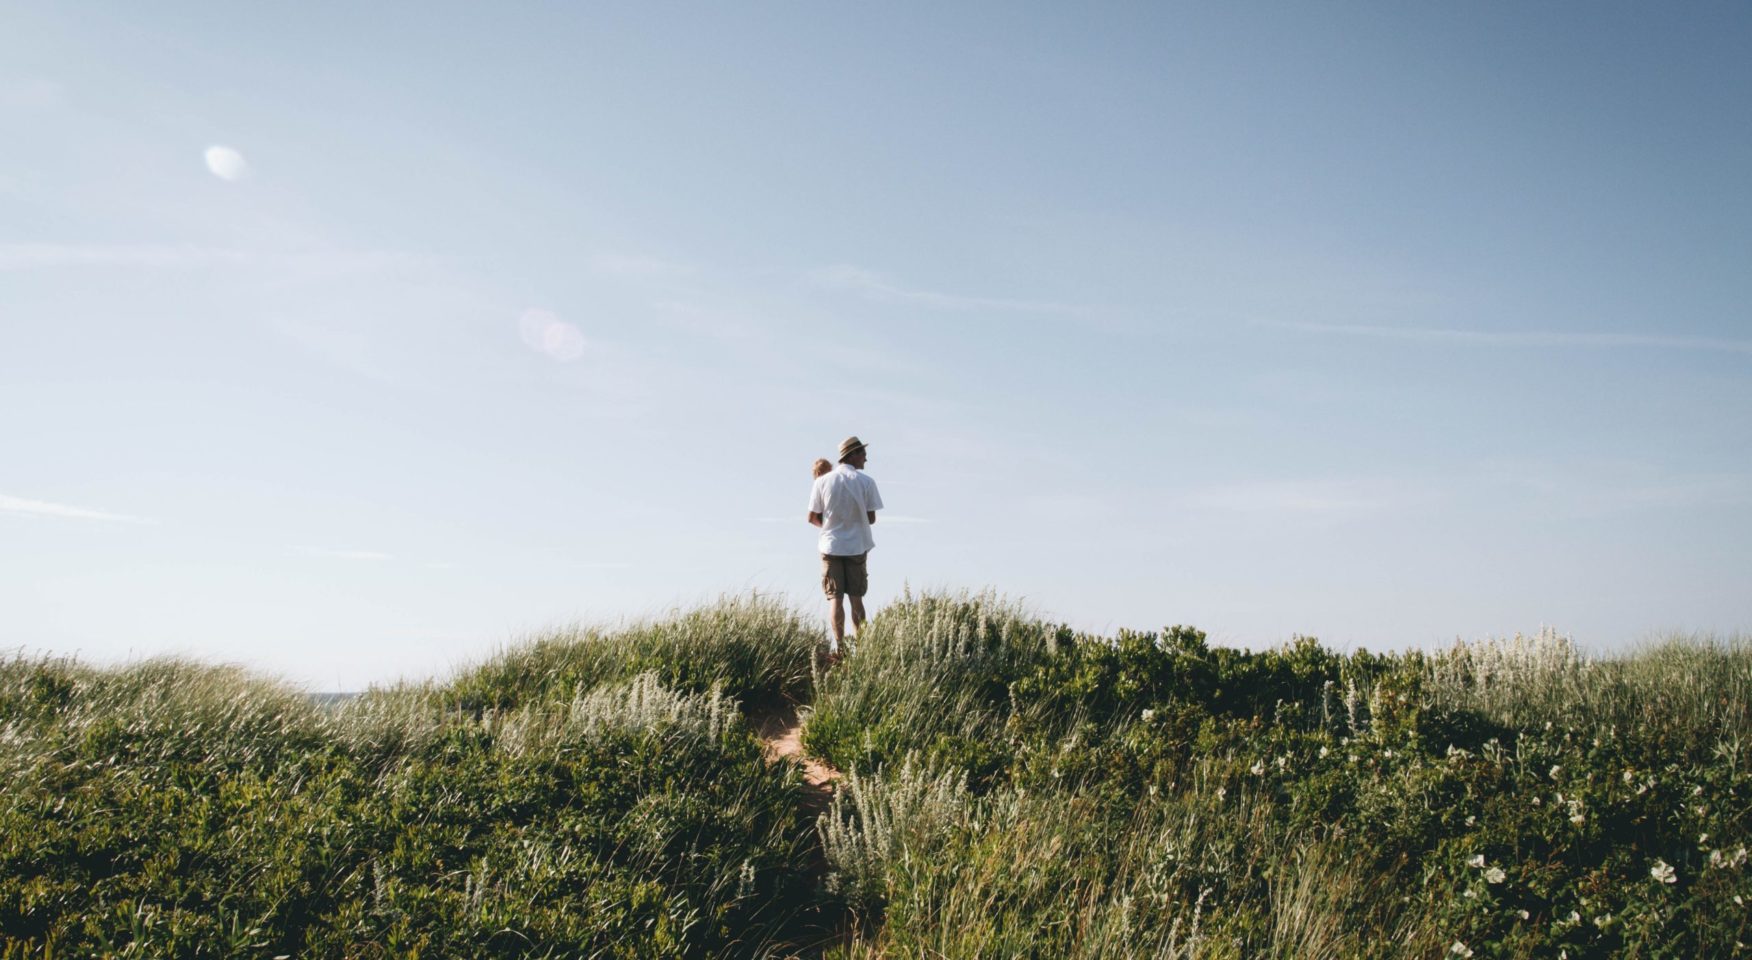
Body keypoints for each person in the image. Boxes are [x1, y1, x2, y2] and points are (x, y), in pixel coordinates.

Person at [808, 436, 883, 657]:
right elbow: (871, 519)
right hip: (857, 546)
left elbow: (812, 517)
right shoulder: (866, 482)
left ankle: (840, 648)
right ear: (852, 455)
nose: (865, 458)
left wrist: (829, 525)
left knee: (835, 599)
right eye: (862, 453)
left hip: (831, 546)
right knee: (856, 600)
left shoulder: (822, 482)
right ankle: (862, 649)